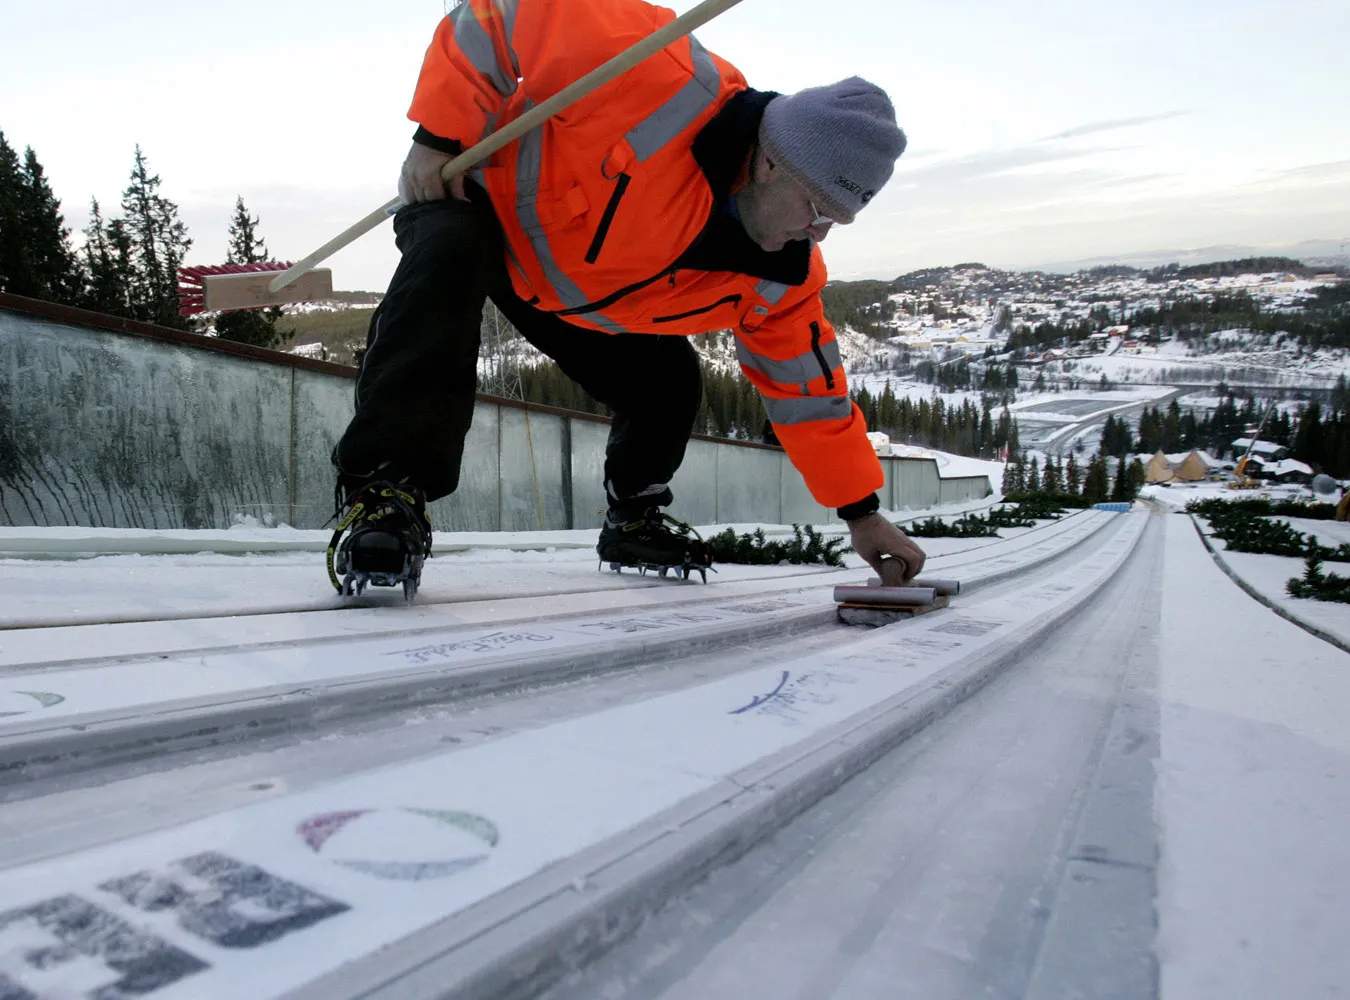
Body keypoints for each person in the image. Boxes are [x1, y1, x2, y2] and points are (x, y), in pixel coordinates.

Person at [327, 0, 927, 596]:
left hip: (572, 294)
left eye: (835, 221)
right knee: (447, 257)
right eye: (817, 208)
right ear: (771, 163)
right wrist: (438, 133)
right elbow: (497, 12)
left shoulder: (780, 278)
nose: (817, 232)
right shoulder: (660, 74)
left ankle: (632, 515)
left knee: (669, 377)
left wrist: (862, 513)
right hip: (477, 203)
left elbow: (809, 393)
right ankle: (385, 491)